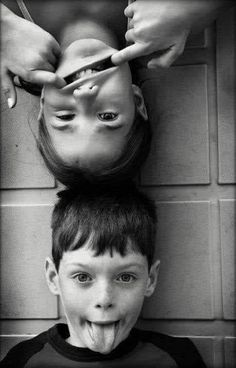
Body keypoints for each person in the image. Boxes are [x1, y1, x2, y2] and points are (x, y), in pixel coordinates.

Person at [0, 183, 207, 367]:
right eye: (82, 277)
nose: (104, 299)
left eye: (125, 277)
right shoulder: (23, 360)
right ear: (54, 278)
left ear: (150, 280)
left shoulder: (178, 357)